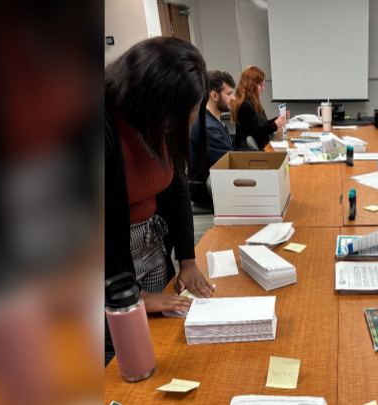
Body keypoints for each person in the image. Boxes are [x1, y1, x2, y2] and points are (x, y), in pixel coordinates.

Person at [105, 37, 215, 364]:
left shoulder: (156, 122)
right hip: (104, 266)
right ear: (151, 99)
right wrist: (133, 296)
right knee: (124, 359)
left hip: (149, 249)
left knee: (165, 342)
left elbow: (175, 183)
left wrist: (187, 259)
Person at [189, 70, 237, 208]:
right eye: (228, 94)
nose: (233, 98)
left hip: (215, 183)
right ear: (214, 95)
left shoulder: (213, 121)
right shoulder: (208, 127)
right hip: (207, 191)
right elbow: (231, 160)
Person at [230, 66, 289, 150]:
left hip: (259, 147)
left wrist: (278, 120)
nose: (263, 88)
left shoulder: (252, 103)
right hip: (249, 153)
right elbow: (255, 133)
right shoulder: (245, 107)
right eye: (261, 85)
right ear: (251, 85)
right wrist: (274, 125)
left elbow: (262, 125)